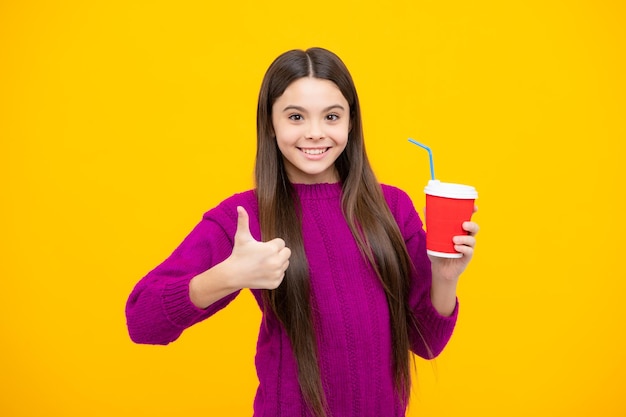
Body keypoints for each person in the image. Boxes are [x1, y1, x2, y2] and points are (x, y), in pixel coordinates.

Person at [125, 47, 479, 417]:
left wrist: (444, 277)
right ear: (270, 123)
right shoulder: (245, 217)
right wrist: (227, 276)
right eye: (296, 117)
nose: (315, 133)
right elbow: (143, 320)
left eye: (331, 116)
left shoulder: (392, 208)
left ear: (350, 122)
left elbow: (427, 343)